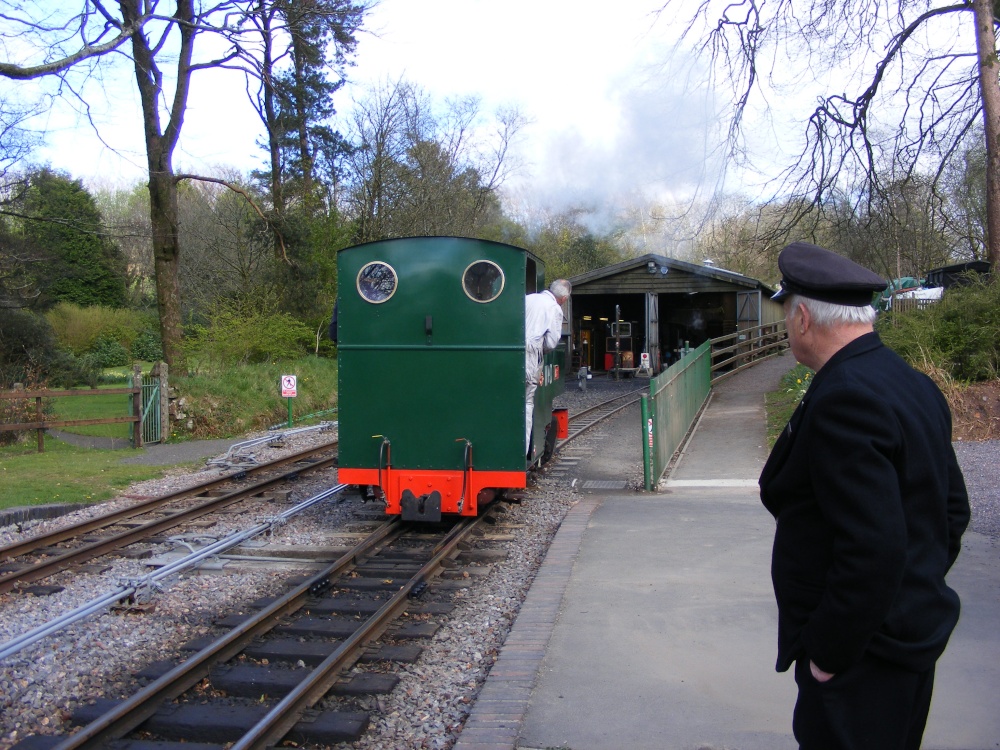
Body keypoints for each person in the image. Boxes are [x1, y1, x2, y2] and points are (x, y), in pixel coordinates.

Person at [759, 241, 970, 750]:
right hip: (905, 642)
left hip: (862, 659)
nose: (788, 327)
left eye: (788, 316)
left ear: (804, 318)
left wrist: (829, 656)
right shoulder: (912, 384)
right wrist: (915, 586)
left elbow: (872, 548)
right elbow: (952, 511)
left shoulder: (845, 396)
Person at [524, 279, 571, 455]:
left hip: (508, 353)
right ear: (564, 298)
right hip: (530, 355)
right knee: (527, 401)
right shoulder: (555, 309)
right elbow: (551, 343)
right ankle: (521, 453)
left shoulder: (527, 299)